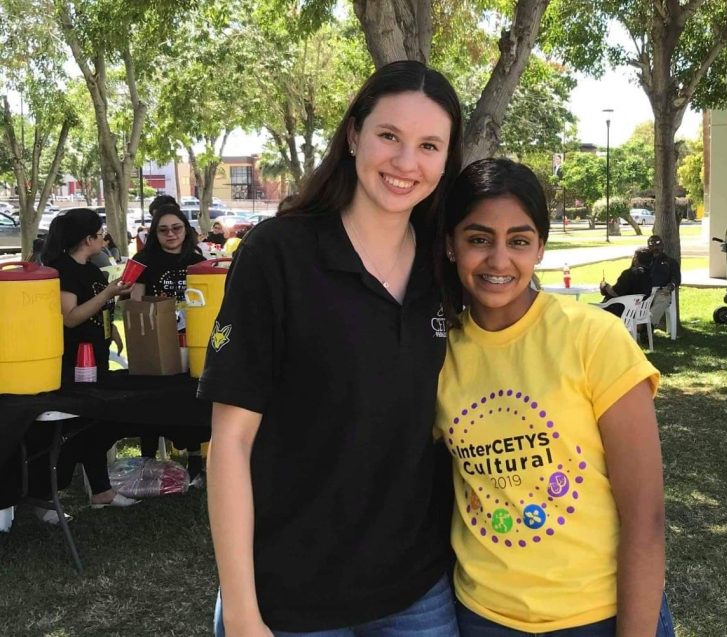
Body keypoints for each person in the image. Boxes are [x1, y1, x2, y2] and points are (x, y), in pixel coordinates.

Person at [199, 60, 464, 636]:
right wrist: (243, 612)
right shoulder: (278, 255)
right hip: (288, 598)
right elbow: (230, 443)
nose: (405, 162)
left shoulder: (445, 269)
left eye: (428, 145)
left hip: (415, 591)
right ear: (353, 135)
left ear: (446, 160)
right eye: (388, 136)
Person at [438, 158, 673, 636]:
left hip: (599, 615)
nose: (499, 260)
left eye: (519, 241)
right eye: (478, 239)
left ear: (540, 247)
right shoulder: (437, 355)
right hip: (482, 617)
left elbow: (645, 517)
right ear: (450, 244)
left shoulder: (594, 338)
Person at [33, 209, 138, 510]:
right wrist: (107, 294)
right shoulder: (62, 269)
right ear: (87, 238)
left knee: (96, 424)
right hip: (72, 364)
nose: (105, 236)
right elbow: (70, 318)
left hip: (98, 358)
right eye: (100, 231)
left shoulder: (92, 269)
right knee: (66, 430)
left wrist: (111, 327)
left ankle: (101, 490)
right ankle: (45, 497)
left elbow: (95, 310)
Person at [131, 203, 206, 479]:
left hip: (192, 340)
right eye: (163, 230)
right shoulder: (144, 259)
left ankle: (195, 461)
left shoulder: (198, 260)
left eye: (176, 228)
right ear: (155, 234)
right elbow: (135, 301)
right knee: (150, 398)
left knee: (191, 396)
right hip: (155, 340)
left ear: (186, 230)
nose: (170, 234)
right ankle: (147, 462)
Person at [599, 248, 652, 316]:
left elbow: (616, 293)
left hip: (621, 310)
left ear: (636, 259)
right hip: (637, 311)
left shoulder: (628, 274)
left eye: (634, 257)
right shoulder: (649, 275)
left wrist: (605, 286)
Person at [646, 234, 680, 328]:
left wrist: (670, 286)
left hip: (661, 291)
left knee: (663, 298)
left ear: (663, 246)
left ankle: (647, 326)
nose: (654, 247)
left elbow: (676, 278)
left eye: (657, 244)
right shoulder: (643, 260)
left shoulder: (670, 262)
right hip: (644, 291)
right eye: (651, 244)